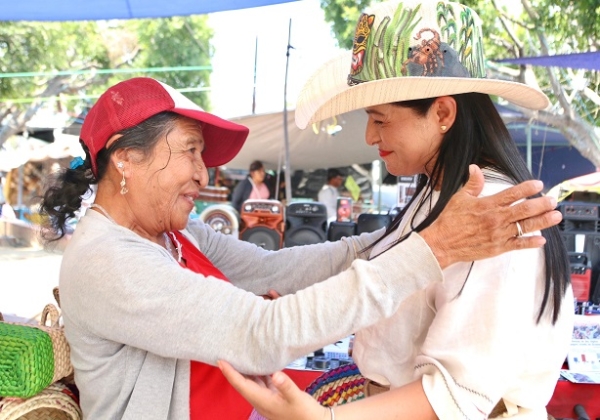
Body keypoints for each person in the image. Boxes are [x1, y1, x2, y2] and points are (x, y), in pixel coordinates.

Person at [39, 76, 560, 420]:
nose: (203, 174)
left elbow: (278, 268)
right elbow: (261, 334)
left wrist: (408, 238)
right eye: (191, 152)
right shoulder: (108, 259)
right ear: (125, 158)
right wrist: (430, 248)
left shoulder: (176, 232)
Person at [220, 1, 574, 419]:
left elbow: (454, 395)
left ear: (442, 112)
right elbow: (383, 270)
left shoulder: (487, 211)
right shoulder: (436, 195)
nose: (370, 135)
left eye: (381, 120)